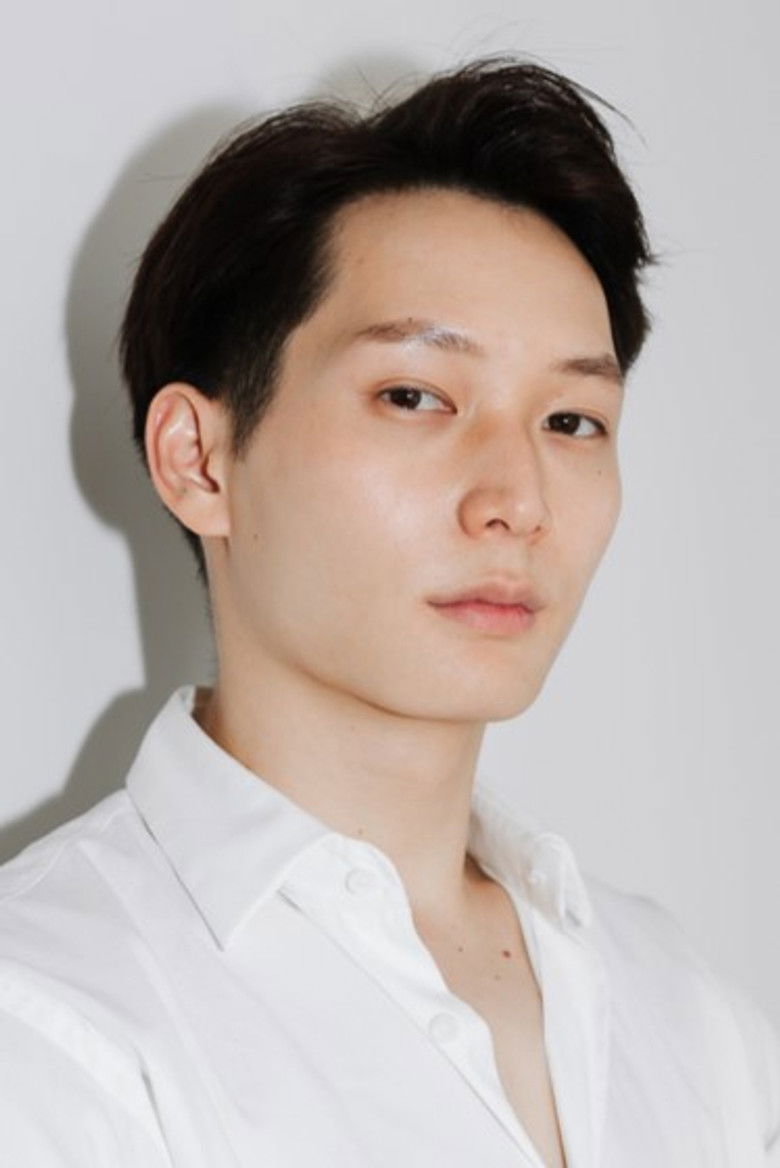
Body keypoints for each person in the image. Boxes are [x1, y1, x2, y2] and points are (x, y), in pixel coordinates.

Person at [0, 57, 777, 1168]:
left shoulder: (691, 1015)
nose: (516, 500)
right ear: (199, 460)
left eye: (571, 420)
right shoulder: (49, 1020)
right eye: (414, 397)